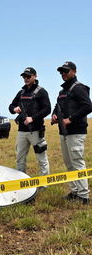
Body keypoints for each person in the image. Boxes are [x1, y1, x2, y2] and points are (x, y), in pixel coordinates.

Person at [51, 61, 92, 204]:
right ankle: (75, 191)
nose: (63, 74)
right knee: (69, 163)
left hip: (76, 131)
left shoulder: (79, 88)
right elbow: (57, 107)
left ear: (74, 71)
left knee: (77, 162)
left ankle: (83, 196)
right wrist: (54, 115)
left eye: (66, 71)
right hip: (64, 132)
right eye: (61, 72)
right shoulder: (62, 92)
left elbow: (88, 106)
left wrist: (70, 119)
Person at [9, 67, 51, 180]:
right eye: (24, 76)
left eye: (28, 76)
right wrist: (15, 109)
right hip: (22, 132)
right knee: (20, 159)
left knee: (41, 159)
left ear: (35, 76)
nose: (26, 78)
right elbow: (10, 106)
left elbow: (47, 109)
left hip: (36, 131)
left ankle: (44, 184)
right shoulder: (21, 92)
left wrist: (33, 118)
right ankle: (22, 182)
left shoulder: (41, 91)